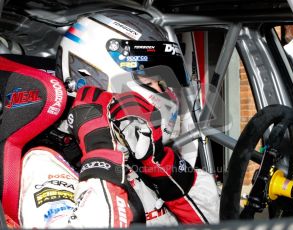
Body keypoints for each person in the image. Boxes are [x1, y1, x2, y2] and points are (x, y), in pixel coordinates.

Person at [18, 11, 220, 228]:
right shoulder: (47, 162)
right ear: (96, 75)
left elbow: (219, 222)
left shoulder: (140, 154)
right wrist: (101, 154)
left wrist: (167, 169)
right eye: (153, 80)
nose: (166, 93)